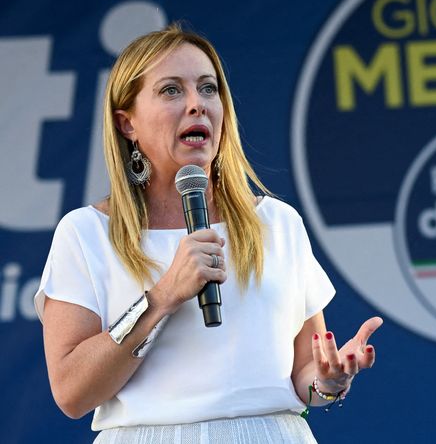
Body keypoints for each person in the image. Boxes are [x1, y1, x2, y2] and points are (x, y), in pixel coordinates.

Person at [35, 23, 382, 443]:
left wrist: (329, 382)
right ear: (127, 124)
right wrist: (162, 297)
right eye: (171, 90)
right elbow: (72, 393)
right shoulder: (87, 233)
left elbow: (303, 375)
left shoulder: (277, 223)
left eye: (208, 88)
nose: (197, 105)